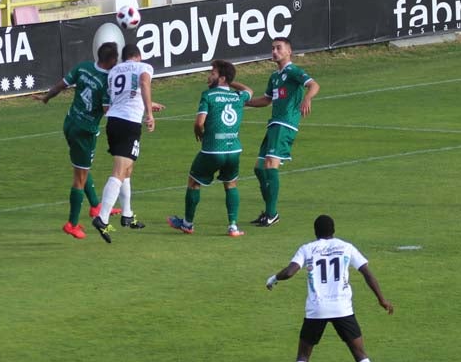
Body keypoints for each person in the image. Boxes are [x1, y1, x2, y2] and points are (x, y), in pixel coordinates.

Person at [265, 214, 394, 362]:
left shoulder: (307, 249)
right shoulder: (346, 247)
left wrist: (274, 279)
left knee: (303, 355)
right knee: (360, 354)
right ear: (333, 230)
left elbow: (290, 271)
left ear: (315, 232)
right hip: (342, 308)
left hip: (317, 309)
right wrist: (382, 299)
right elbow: (367, 273)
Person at [35, 42, 121, 239]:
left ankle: (95, 206)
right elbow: (108, 111)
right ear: (111, 60)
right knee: (79, 178)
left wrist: (46, 98)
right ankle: (72, 224)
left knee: (81, 166)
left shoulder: (83, 67)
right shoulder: (108, 80)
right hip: (85, 132)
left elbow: (61, 85)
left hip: (70, 122)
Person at [167, 59, 252, 238]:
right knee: (231, 184)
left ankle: (188, 224)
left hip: (213, 150)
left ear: (221, 78)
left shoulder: (208, 95)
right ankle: (233, 227)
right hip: (234, 150)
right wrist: (230, 81)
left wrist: (199, 132)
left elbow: (199, 123)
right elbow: (249, 91)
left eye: (212, 73)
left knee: (193, 182)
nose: (208, 76)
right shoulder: (238, 97)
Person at [90, 44, 164, 243]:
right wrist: (148, 113)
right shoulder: (144, 67)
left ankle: (127, 214)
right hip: (129, 123)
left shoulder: (114, 71)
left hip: (114, 121)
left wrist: (149, 103)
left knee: (127, 170)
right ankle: (102, 218)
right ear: (138, 56)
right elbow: (143, 83)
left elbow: (126, 94)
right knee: (119, 171)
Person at [244, 37, 319, 227]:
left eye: (279, 48)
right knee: (259, 168)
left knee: (270, 166)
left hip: (285, 124)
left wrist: (307, 99)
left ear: (289, 51)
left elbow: (314, 85)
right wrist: (243, 102)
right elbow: (266, 100)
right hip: (273, 124)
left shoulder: (293, 71)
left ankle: (271, 214)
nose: (274, 51)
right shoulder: (275, 76)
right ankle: (270, 212)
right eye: (273, 48)